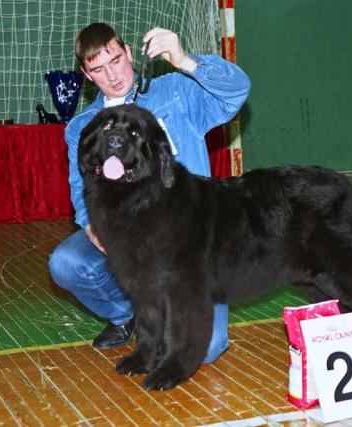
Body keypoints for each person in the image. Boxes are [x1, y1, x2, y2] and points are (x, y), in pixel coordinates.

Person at [48, 23, 250, 363]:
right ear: (86, 74)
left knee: (206, 349)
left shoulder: (177, 91)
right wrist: (91, 225)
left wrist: (186, 61)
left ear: (128, 53)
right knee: (67, 263)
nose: (112, 76)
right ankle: (124, 313)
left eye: (115, 61)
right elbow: (79, 185)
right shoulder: (81, 127)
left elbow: (237, 90)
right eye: (98, 69)